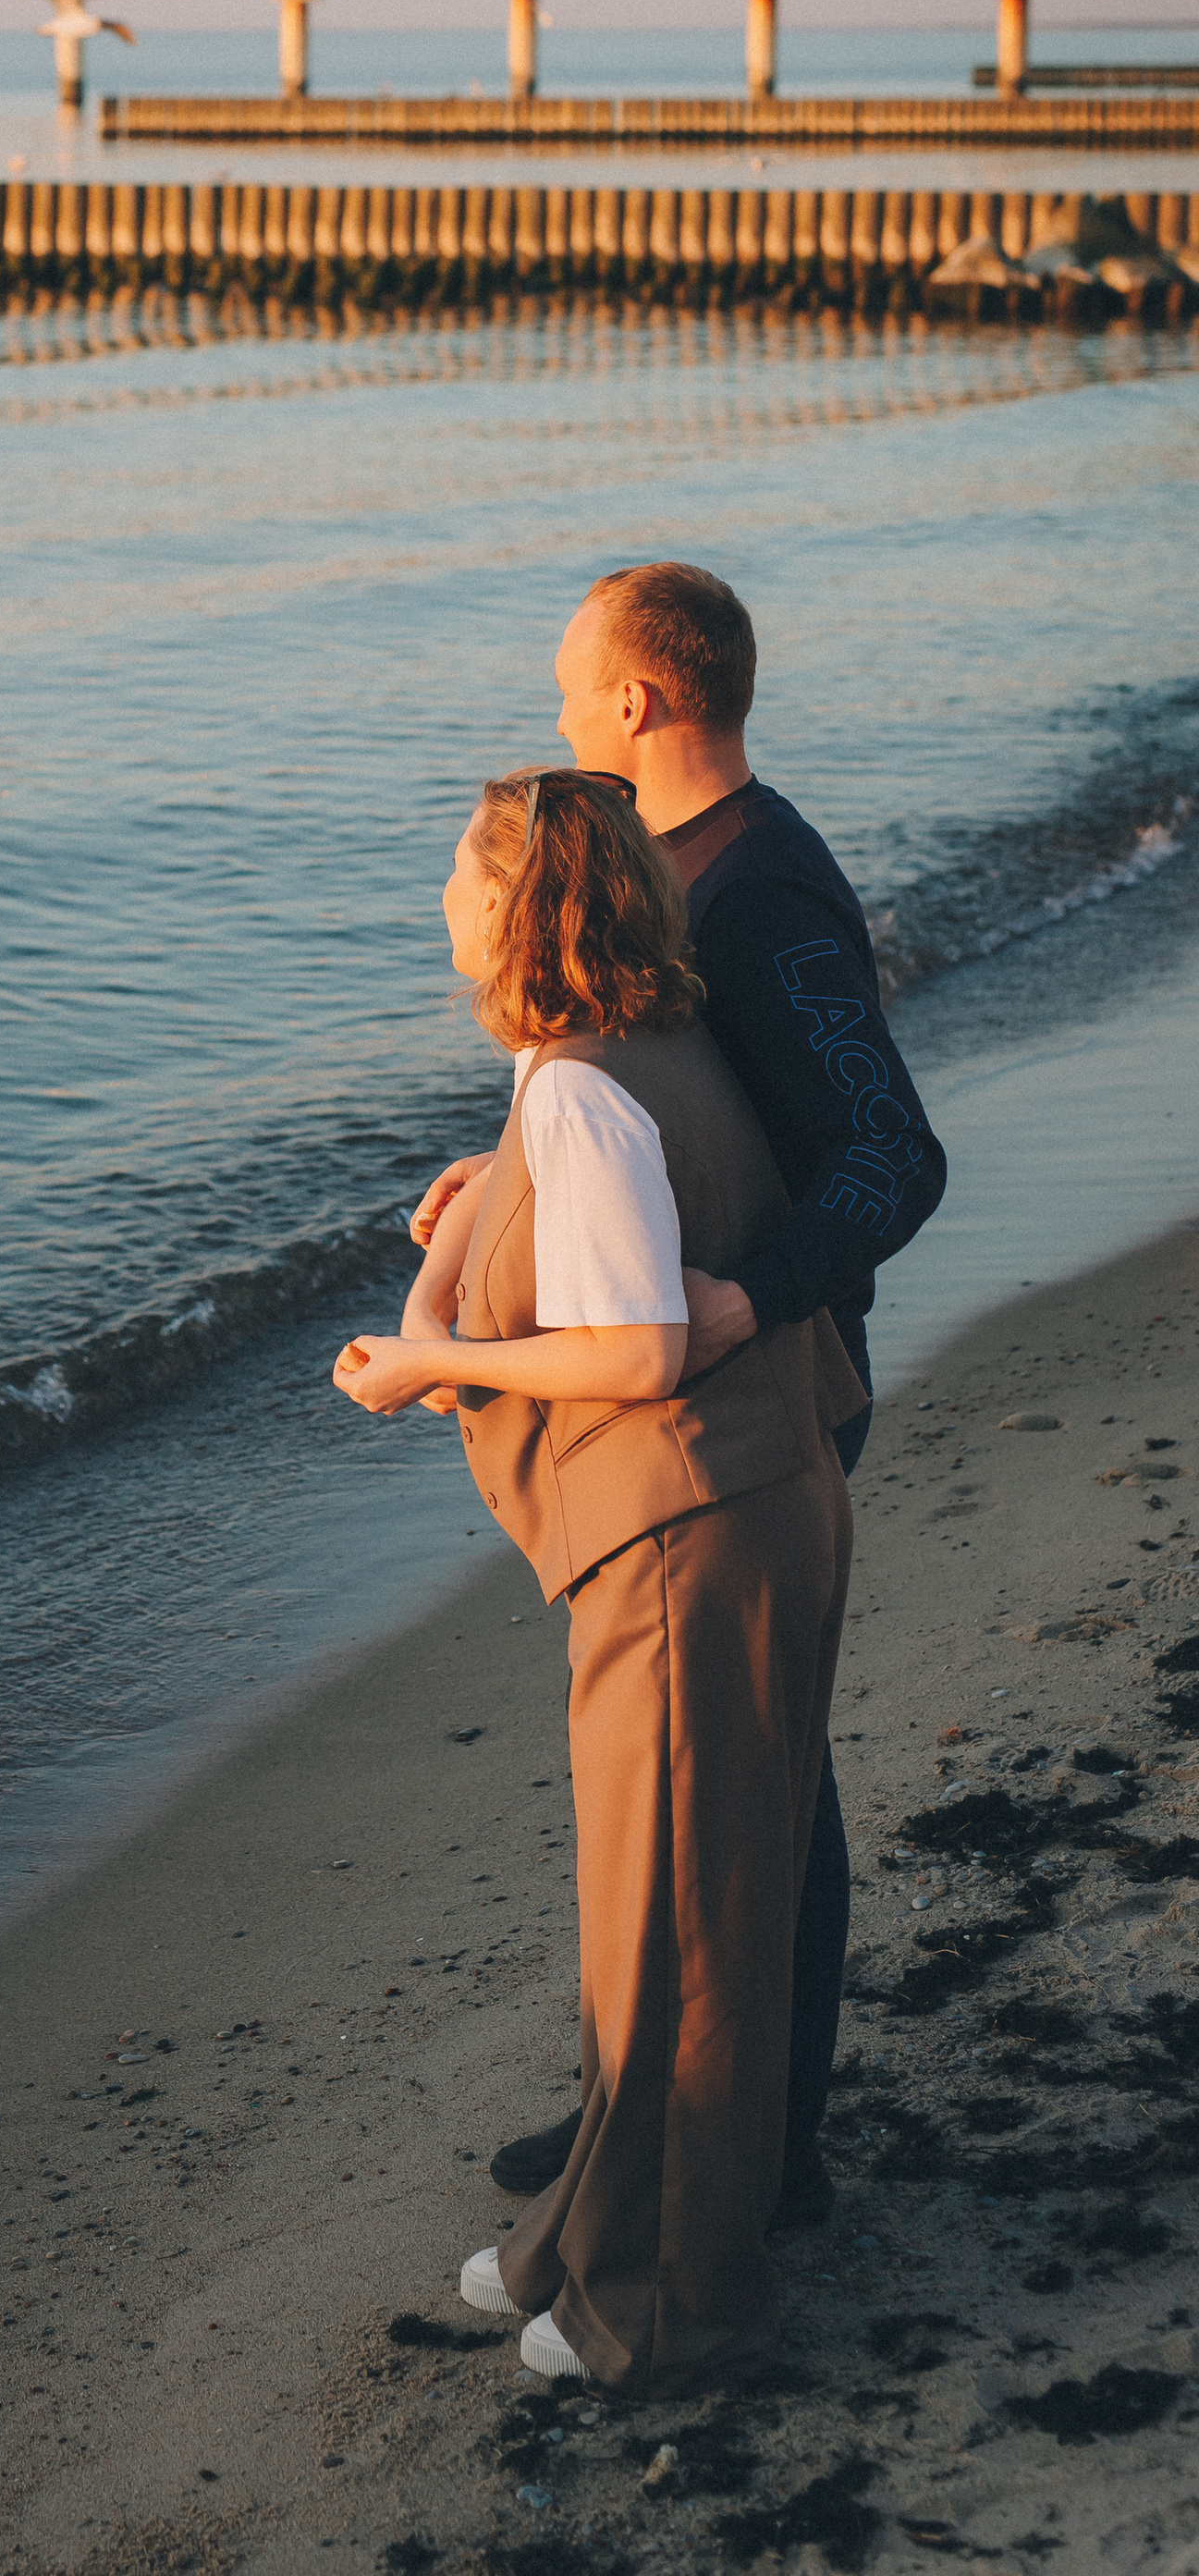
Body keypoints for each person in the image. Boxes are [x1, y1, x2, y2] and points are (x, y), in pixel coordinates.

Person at [411, 564, 944, 2223]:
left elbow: (892, 1153)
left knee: (760, 1791)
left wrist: (748, 1297)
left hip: (759, 1398)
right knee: (707, 1790)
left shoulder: (759, 887)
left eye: (574, 687)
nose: (563, 710)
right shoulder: (672, 867)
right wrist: (513, 1178)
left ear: (637, 701)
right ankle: (651, 2119)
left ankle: (761, 2150)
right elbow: (667, 1106)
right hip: (701, 1396)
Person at [336, 768, 865, 2392]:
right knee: (662, 1920)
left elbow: (634, 1346)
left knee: (685, 1939)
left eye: (459, 871)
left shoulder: (579, 1091)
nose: (441, 896)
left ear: (517, 903)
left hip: (691, 1540)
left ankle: (672, 2309)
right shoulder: (637, 1041)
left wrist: (437, 1366)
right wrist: (460, 1255)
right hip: (754, 1498)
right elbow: (568, 1193)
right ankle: (585, 2237)